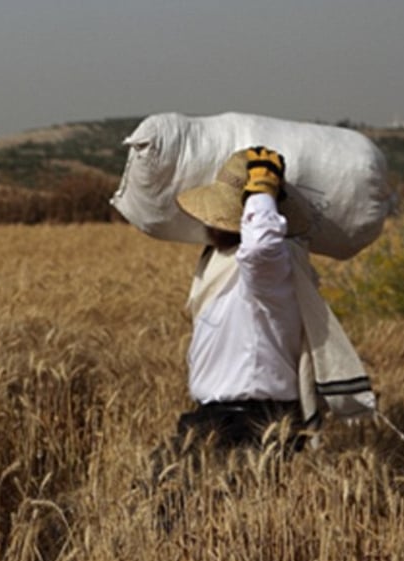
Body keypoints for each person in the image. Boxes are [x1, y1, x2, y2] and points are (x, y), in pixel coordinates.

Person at [149, 146, 376, 525]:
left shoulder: (268, 273)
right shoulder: (221, 266)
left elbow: (262, 246)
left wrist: (261, 190)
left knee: (235, 533)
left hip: (255, 428)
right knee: (165, 518)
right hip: (213, 421)